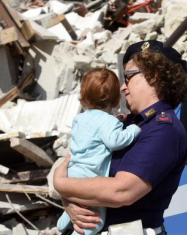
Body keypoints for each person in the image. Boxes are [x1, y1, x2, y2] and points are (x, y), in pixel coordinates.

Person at [54, 40, 187, 235]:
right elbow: (82, 168)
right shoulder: (129, 123)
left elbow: (121, 192)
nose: (122, 88)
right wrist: (69, 203)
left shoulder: (164, 130)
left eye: (128, 77)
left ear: (152, 76)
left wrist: (61, 184)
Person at [57, 68, 142, 235]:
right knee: (95, 220)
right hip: (91, 176)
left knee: (77, 204)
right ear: (118, 100)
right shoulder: (109, 121)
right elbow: (114, 141)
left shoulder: (79, 119)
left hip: (73, 172)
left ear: (82, 99)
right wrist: (132, 130)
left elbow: (92, 135)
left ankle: (63, 222)